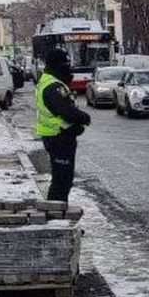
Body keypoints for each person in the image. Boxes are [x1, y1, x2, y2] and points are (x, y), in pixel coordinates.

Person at [35, 49, 91, 202]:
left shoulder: (51, 81)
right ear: (58, 64)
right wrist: (83, 118)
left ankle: (57, 211)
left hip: (59, 136)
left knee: (63, 178)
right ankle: (56, 214)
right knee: (61, 180)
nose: (68, 66)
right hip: (58, 137)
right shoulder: (53, 86)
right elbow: (65, 111)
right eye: (66, 63)